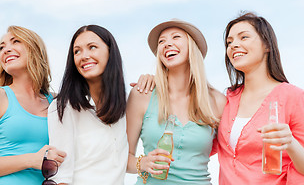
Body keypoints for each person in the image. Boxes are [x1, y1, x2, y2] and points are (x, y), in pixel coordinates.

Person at [126, 19, 226, 184]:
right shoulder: (142, 94)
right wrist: (142, 162)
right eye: (161, 41)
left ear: (192, 47)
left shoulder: (217, 101)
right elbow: (121, 157)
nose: (167, 44)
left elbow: (234, 153)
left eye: (176, 37)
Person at [0, 26, 66, 184]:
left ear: (35, 49)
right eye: (1, 47)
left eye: (15, 41)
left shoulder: (58, 102)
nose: (5, 50)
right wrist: (32, 160)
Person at [217, 12, 304, 184]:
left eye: (244, 37)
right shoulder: (226, 100)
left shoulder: (294, 97)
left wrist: (290, 143)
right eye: (229, 42)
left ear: (267, 45)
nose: (234, 45)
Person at [47, 25, 129, 185]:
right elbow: (60, 177)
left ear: (110, 52)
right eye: (77, 51)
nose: (84, 56)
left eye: (92, 47)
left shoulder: (124, 103)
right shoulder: (63, 107)